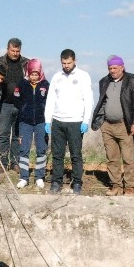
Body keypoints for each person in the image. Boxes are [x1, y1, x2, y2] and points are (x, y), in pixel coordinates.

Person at [44, 49, 93, 195]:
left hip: (75, 122)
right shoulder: (56, 77)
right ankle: (56, 182)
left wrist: (86, 120)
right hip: (58, 121)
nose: (66, 66)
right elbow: (51, 99)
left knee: (75, 154)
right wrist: (48, 120)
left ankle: (77, 182)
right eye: (64, 63)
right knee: (57, 154)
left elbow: (88, 100)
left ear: (75, 61)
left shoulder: (83, 76)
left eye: (69, 63)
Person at [92, 55, 134, 196]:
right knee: (112, 157)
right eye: (110, 68)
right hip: (107, 125)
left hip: (124, 124)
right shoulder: (104, 81)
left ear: (122, 67)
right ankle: (116, 185)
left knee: (128, 157)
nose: (112, 71)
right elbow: (102, 102)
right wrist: (100, 122)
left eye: (115, 68)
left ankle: (130, 186)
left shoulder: (132, 80)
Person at [0, 38, 29, 170]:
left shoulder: (26, 63)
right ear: (7, 49)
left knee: (17, 135)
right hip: (4, 103)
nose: (15, 53)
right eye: (12, 50)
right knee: (3, 134)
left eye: (17, 51)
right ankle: (3, 162)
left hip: (21, 104)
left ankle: (15, 162)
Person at [14, 58, 49, 189]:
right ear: (28, 73)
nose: (34, 77)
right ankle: (24, 177)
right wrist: (23, 111)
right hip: (25, 122)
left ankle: (39, 177)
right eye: (32, 74)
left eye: (36, 74)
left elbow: (49, 102)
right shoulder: (22, 84)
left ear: (40, 73)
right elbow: (16, 100)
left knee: (41, 149)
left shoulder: (45, 85)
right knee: (24, 150)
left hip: (41, 122)